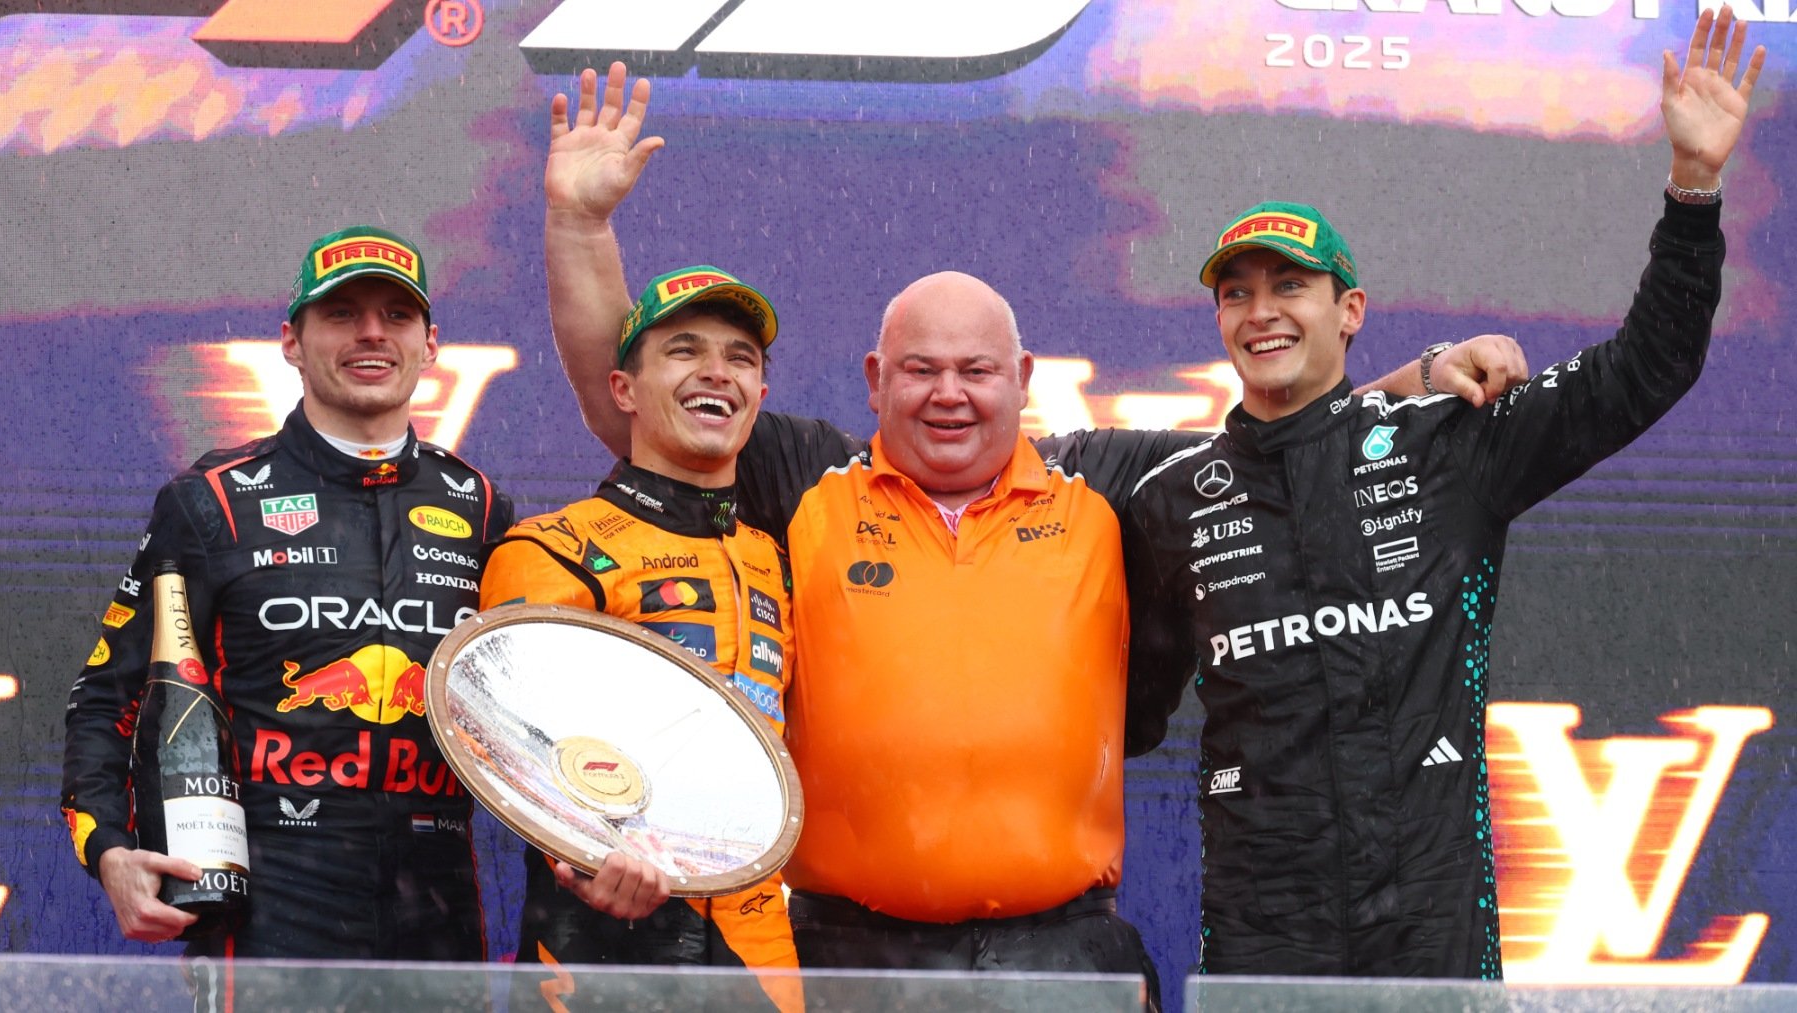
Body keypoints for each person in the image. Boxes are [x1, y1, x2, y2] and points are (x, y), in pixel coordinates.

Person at [537, 64, 1526, 1010]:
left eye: (978, 368)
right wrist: (581, 224)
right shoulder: (807, 478)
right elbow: (634, 405)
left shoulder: (1102, 478)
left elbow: (1286, 435)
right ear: (878, 378)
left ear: (1024, 376)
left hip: (1064, 954)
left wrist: (1421, 374)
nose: (950, 393)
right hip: (849, 952)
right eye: (921, 369)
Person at [1121, 7, 1764, 979]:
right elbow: (1121, 714)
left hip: (1432, 928)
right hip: (1261, 938)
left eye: (1289, 285)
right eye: (1236, 291)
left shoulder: (1447, 445)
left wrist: (1695, 184)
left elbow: (1648, 368)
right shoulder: (1173, 501)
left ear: (1348, 311)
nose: (1260, 311)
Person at [60, 226, 514, 977]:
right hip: (271, 900)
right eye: (341, 314)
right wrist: (109, 848)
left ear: (430, 343)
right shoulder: (210, 502)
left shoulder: (484, 508)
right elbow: (108, 698)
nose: (372, 333)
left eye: (396, 316)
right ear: (291, 342)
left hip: (439, 904)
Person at [479, 267, 801, 1013]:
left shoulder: (778, 560)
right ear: (624, 389)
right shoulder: (552, 548)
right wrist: (589, 847)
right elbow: (510, 745)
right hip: (598, 939)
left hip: (761, 946)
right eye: (684, 351)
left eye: (741, 357)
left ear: (760, 392)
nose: (716, 371)